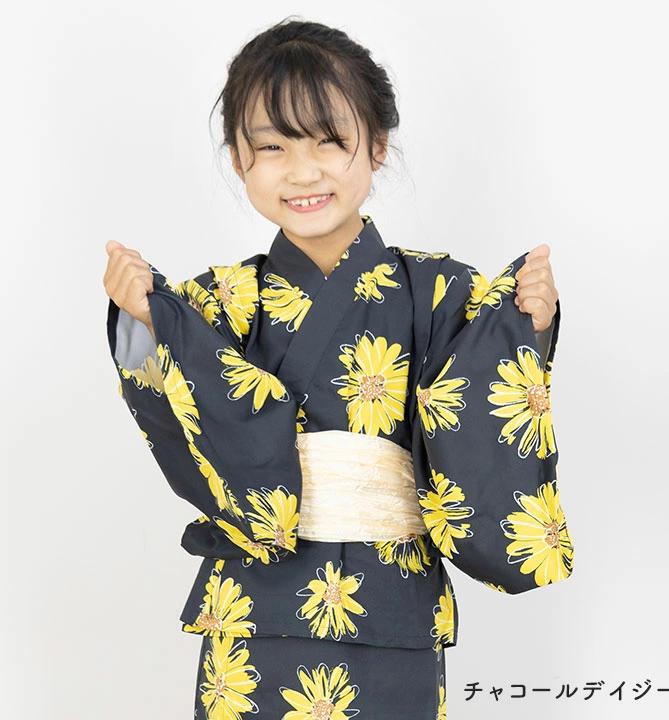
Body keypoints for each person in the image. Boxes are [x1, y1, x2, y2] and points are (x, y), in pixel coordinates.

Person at [103, 17, 573, 719]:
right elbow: (177, 418)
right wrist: (146, 321)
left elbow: (481, 414)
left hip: (393, 601)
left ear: (377, 145)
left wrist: (523, 327)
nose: (303, 170)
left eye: (329, 140)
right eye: (272, 146)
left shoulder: (441, 291)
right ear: (238, 159)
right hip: (254, 608)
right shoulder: (216, 301)